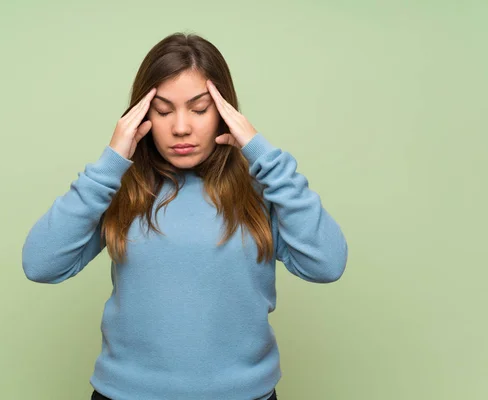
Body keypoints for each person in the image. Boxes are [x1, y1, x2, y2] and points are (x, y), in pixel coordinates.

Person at [22, 32, 348, 400]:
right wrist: (110, 163)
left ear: (225, 111)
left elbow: (328, 263)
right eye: (163, 110)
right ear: (141, 116)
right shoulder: (121, 188)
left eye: (199, 109)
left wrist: (263, 155)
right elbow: (41, 264)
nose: (180, 127)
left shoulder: (263, 189)